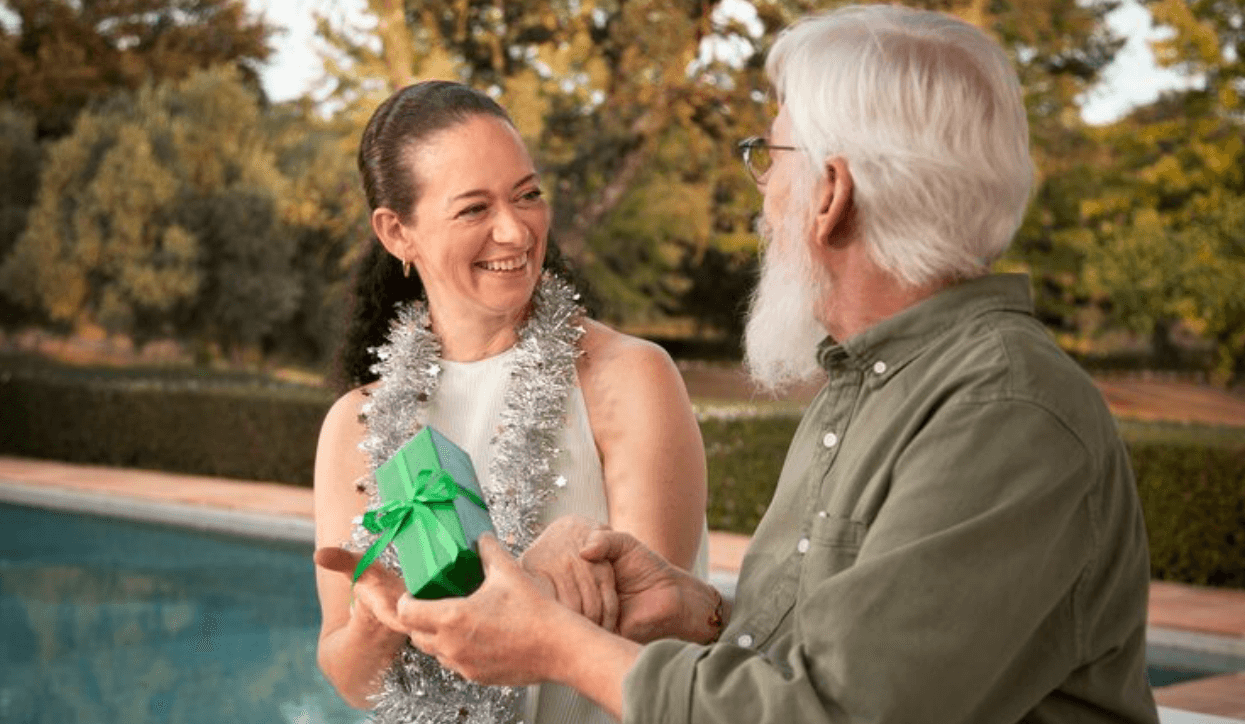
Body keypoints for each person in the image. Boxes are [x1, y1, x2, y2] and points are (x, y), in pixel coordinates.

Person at [351, 6, 1163, 723]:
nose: (763, 190)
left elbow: (828, 715)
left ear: (829, 194)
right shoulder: (876, 387)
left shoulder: (1003, 415)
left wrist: (557, 649)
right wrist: (699, 611)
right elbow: (851, 660)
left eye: (769, 156)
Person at [311, 80, 709, 724]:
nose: (515, 230)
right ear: (396, 232)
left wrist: (527, 585)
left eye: (527, 195)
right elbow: (352, 679)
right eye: (474, 209)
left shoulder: (630, 376)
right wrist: (380, 620)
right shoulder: (355, 423)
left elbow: (653, 622)